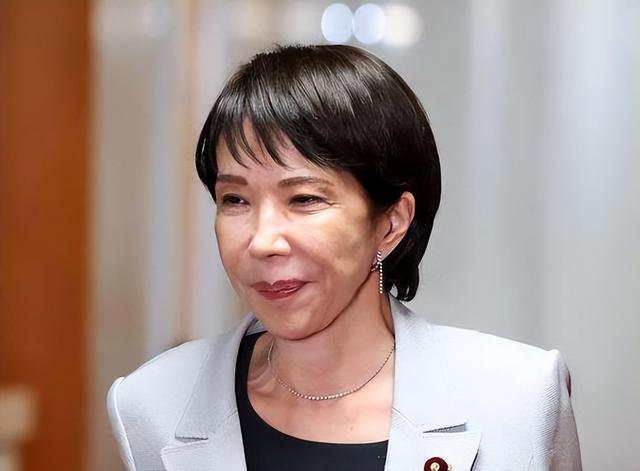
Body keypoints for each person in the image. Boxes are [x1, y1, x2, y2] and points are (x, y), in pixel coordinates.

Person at [107, 44, 581, 471]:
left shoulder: (517, 398)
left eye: (304, 199)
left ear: (391, 223)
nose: (262, 240)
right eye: (235, 200)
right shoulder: (152, 405)